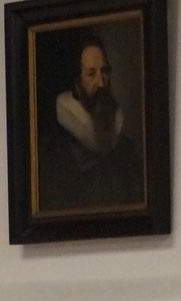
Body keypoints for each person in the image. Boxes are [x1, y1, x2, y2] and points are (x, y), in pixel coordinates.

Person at [36, 31, 143, 213]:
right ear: (77, 83)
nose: (101, 82)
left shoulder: (126, 149)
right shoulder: (55, 153)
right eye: (91, 74)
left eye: (104, 72)